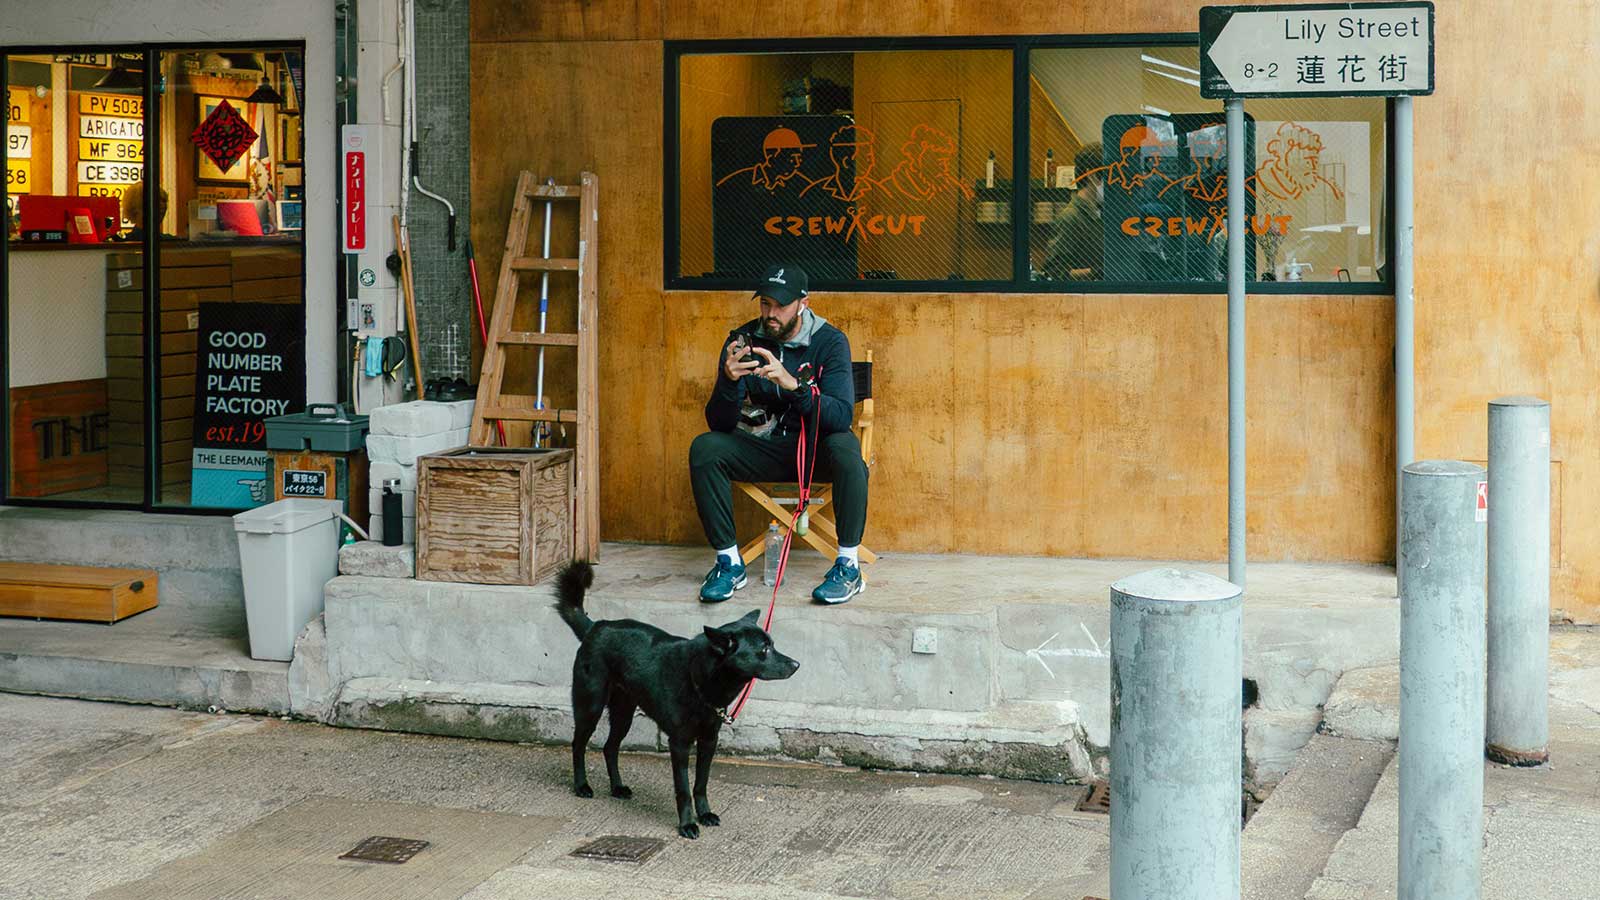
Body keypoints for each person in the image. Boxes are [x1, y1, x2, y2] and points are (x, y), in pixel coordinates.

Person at [689, 263, 868, 605]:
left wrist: (794, 386)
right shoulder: (743, 340)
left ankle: (848, 566)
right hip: (763, 447)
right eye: (765, 304)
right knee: (705, 448)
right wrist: (728, 380)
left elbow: (841, 415)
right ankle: (729, 563)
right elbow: (720, 424)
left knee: (847, 449)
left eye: (781, 305)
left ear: (803, 303)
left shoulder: (830, 341)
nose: (771, 314)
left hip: (814, 452)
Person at [1041, 143, 1105, 281]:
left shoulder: (1104, 213)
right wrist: (1096, 273)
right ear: (1093, 176)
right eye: (1111, 176)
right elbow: (1054, 273)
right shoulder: (1070, 218)